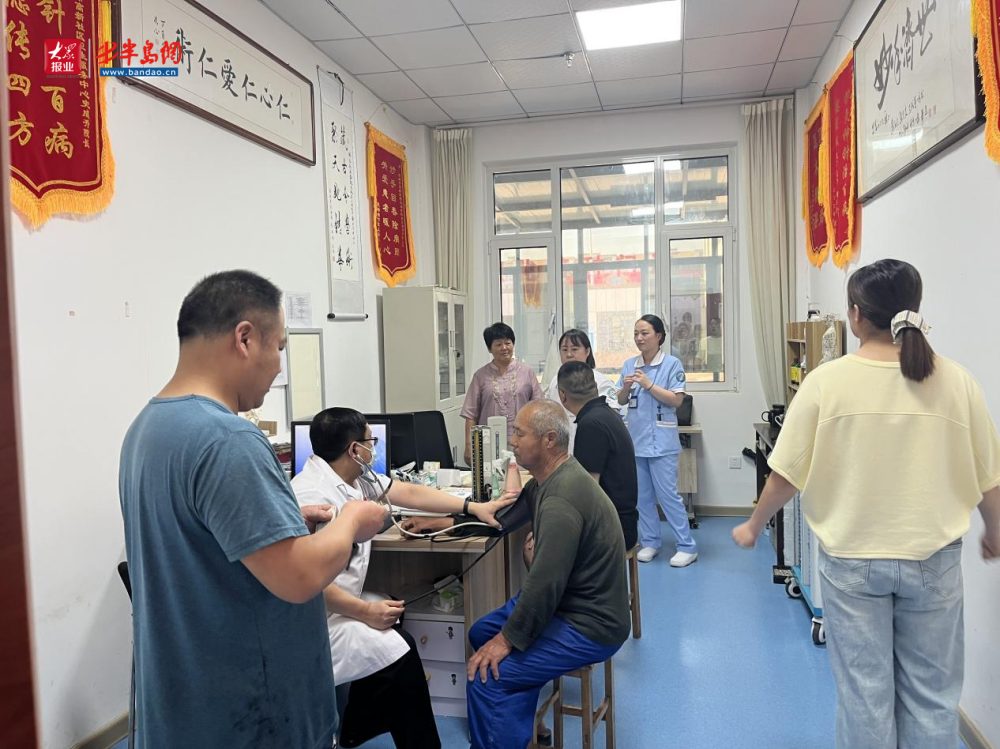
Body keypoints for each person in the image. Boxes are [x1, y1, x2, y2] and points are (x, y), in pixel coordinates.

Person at [733, 259, 1000, 749]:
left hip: (852, 562)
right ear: (914, 308)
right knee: (931, 698)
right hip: (933, 561)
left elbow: (786, 473)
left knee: (865, 697)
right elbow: (989, 474)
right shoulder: (956, 380)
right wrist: (995, 531)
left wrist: (754, 525)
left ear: (855, 315)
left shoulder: (826, 382)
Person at [118, 270, 388, 748]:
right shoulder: (229, 439)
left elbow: (200, 542)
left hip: (185, 704)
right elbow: (299, 577)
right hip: (251, 714)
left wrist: (286, 523)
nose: (279, 366)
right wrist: (351, 520)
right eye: (279, 347)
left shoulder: (146, 428)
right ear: (245, 338)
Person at [291, 408, 513, 749]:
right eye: (370, 441)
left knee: (393, 610)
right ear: (354, 450)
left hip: (340, 606)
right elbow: (308, 583)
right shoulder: (312, 496)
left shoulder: (356, 478)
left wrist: (471, 507)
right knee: (402, 650)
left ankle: (352, 724)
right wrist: (365, 612)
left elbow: (408, 494)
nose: (373, 448)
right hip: (315, 621)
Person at [465, 401, 630, 749]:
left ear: (549, 440)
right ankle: (525, 730)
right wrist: (443, 520)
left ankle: (505, 737)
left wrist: (506, 641)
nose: (512, 441)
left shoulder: (561, 499)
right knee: (480, 633)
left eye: (519, 433)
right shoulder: (547, 481)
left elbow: (544, 586)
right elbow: (503, 520)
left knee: (487, 676)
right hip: (567, 605)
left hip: (590, 625)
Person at [617, 314, 698, 566]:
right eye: (636, 333)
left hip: (662, 443)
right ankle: (651, 542)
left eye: (645, 333)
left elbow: (677, 400)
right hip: (636, 441)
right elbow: (620, 400)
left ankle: (687, 546)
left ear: (659, 336)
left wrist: (649, 384)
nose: (639, 338)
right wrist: (626, 388)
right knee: (642, 498)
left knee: (668, 497)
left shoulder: (672, 364)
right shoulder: (629, 365)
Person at [556, 360, 638, 551]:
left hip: (612, 529)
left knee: (538, 543)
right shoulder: (605, 414)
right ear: (594, 387)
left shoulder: (591, 425)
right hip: (623, 522)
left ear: (562, 395)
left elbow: (589, 490)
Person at [461, 322, 543, 465]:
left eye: (508, 343)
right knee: (490, 475)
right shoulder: (480, 376)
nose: (504, 348)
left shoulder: (527, 372)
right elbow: (471, 415)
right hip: (489, 442)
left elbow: (539, 407)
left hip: (522, 440)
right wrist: (469, 446)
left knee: (522, 475)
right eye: (498, 344)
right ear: (489, 349)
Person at [544, 329, 618, 453]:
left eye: (574, 349)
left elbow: (611, 418)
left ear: (587, 351)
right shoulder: (555, 381)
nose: (569, 354)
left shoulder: (602, 382)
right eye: (564, 350)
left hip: (592, 446)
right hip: (561, 448)